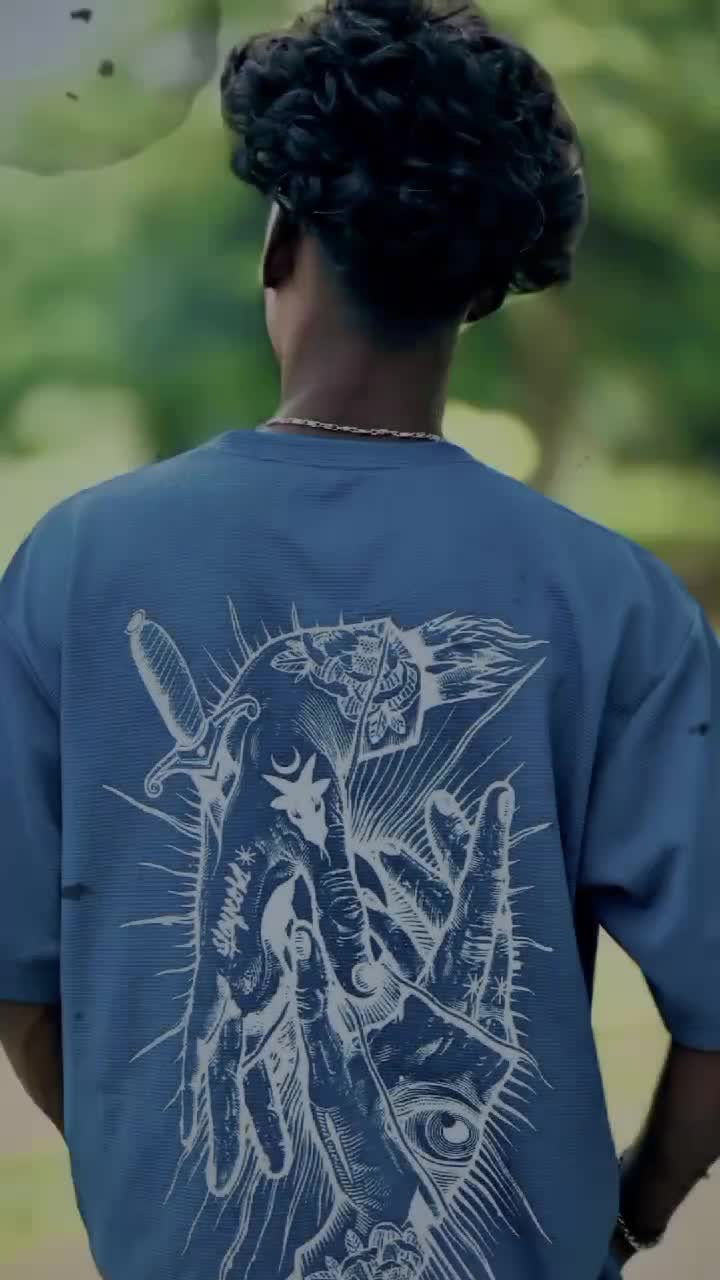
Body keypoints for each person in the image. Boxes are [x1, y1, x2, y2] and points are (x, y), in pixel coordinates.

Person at [1, 2, 718, 1278]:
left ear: (280, 241)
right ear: (484, 290)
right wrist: (632, 1211)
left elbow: (22, 984)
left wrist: (155, 1191)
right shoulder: (615, 600)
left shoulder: (77, 561)